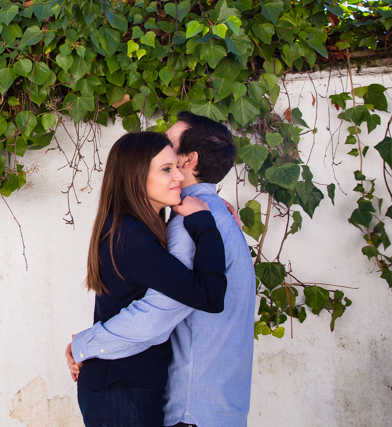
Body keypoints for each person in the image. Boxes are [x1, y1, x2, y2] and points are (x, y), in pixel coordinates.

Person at [67, 112, 255, 427]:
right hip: (206, 405)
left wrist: (84, 344)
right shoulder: (209, 218)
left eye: (169, 147)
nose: (163, 149)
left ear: (188, 160)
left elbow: (161, 309)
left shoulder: (190, 223)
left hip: (191, 409)